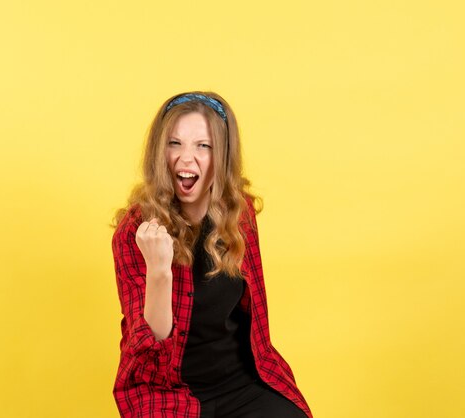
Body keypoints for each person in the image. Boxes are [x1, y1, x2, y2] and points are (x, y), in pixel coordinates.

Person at [110, 91, 313, 418]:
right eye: (174, 143)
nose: (186, 158)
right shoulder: (135, 233)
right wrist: (159, 269)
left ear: (223, 157)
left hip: (240, 384)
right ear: (159, 152)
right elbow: (153, 353)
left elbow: (255, 319)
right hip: (169, 391)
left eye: (203, 146)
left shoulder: (239, 214)